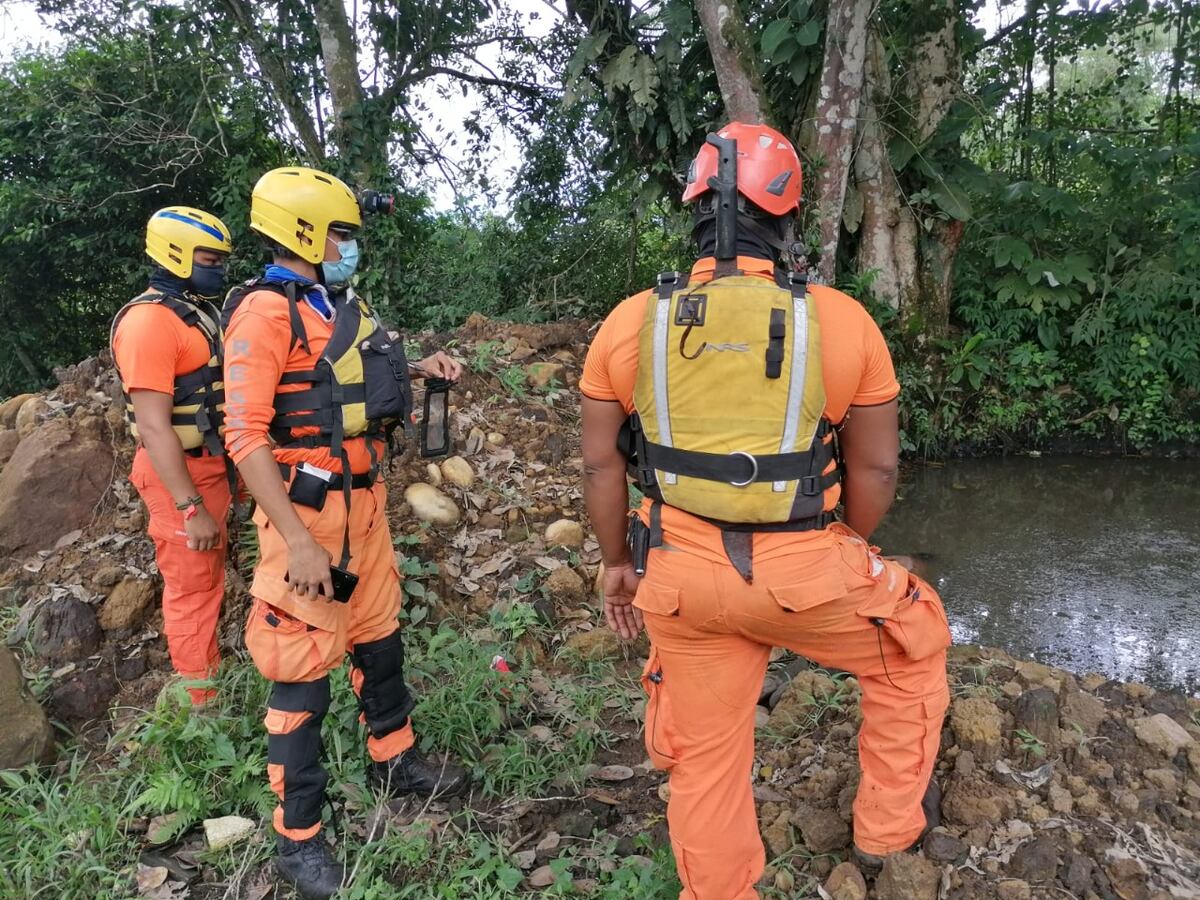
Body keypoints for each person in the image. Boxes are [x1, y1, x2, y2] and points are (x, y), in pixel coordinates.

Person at [580, 123, 952, 899]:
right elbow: (876, 467)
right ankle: (886, 833)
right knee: (916, 641)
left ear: (692, 209)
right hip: (805, 567)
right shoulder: (841, 321)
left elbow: (601, 464)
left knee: (709, 755)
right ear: (784, 219)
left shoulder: (627, 324)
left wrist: (618, 564)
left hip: (678, 574)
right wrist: (840, 550)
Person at [222, 166, 468, 899]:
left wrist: (418, 366)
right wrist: (297, 540)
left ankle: (395, 759)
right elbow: (245, 436)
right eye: (341, 234)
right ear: (304, 232)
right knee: (300, 674)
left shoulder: (335, 303)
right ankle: (298, 840)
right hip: (309, 516)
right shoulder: (265, 313)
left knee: (378, 637)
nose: (349, 246)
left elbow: (345, 379)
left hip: (366, 503)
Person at [111, 207, 234, 707]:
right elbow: (155, 426)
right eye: (209, 257)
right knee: (193, 587)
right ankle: (202, 704)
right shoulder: (148, 324)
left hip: (221, 461)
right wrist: (190, 507)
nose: (218, 268)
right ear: (175, 253)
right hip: (181, 475)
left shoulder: (196, 308)